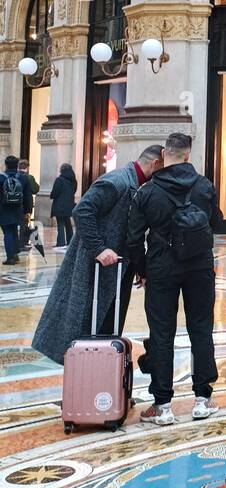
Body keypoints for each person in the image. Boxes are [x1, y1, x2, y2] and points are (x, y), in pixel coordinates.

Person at [31, 144, 164, 363]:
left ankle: (100, 378)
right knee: (87, 322)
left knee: (106, 326)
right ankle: (87, 377)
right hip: (95, 268)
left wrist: (138, 267)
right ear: (155, 163)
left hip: (115, 270)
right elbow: (82, 210)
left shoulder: (135, 183)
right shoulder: (117, 181)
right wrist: (99, 248)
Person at [127, 133, 223, 426]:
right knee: (201, 330)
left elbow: (133, 239)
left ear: (163, 156)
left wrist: (143, 270)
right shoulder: (204, 186)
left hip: (161, 268)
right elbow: (216, 222)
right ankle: (202, 400)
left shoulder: (147, 192)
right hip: (199, 268)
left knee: (162, 333)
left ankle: (163, 405)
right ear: (187, 155)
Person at [1, 155, 25, 265]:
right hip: (18, 209)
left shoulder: (1, 178)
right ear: (17, 165)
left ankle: (10, 257)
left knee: (8, 232)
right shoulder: (22, 177)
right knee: (15, 230)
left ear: (6, 165)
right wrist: (28, 211)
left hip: (4, 210)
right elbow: (28, 195)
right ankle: (15, 254)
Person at [49, 163, 78, 251]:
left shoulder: (59, 180)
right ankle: (70, 242)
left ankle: (61, 242)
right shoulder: (73, 181)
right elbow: (74, 191)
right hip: (69, 205)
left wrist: (52, 195)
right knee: (68, 224)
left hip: (60, 205)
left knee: (60, 224)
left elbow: (55, 192)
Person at [17, 159, 39, 250]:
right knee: (24, 224)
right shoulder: (29, 177)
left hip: (14, 204)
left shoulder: (15, 175)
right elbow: (35, 189)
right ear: (27, 167)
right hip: (26, 204)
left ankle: (14, 242)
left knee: (14, 224)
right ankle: (23, 243)